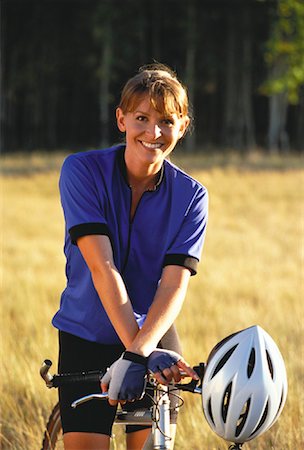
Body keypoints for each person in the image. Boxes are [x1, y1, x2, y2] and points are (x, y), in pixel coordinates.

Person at [52, 63, 208, 450]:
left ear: (182, 126)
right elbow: (102, 267)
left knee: (153, 447)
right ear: (121, 119)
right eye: (142, 118)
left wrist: (141, 352)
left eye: (167, 121)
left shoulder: (192, 196)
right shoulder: (81, 171)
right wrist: (139, 355)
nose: (153, 133)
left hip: (154, 335)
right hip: (86, 334)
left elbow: (174, 283)